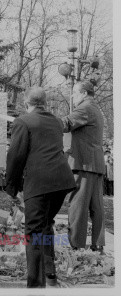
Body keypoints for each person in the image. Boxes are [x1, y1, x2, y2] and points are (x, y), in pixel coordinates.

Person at [5, 87, 75, 288]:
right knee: (45, 225)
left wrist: (12, 188)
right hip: (62, 181)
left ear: (27, 103)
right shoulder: (56, 121)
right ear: (44, 103)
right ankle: (49, 274)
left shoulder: (23, 121)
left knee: (34, 231)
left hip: (40, 182)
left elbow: (16, 156)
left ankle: (35, 287)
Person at [62, 81, 105, 251]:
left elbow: (65, 123)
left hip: (84, 164)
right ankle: (98, 244)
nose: (72, 96)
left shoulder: (85, 108)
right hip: (95, 164)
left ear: (84, 93)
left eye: (75, 93)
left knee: (78, 206)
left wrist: (42, 120)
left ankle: (75, 245)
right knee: (97, 207)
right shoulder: (95, 108)